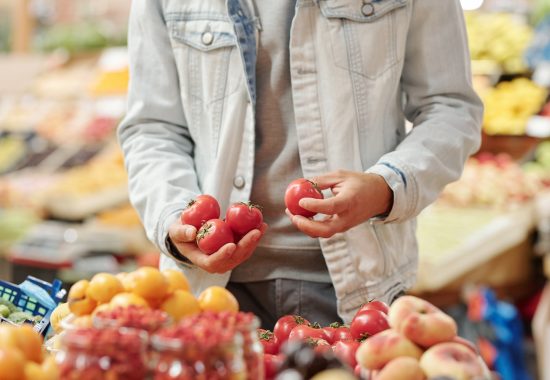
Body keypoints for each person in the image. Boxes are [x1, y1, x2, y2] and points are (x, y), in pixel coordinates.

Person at [118, 0, 483, 327]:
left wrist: (388, 187)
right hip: (210, 292)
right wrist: (174, 220)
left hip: (359, 287)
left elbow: (450, 106)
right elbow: (152, 127)